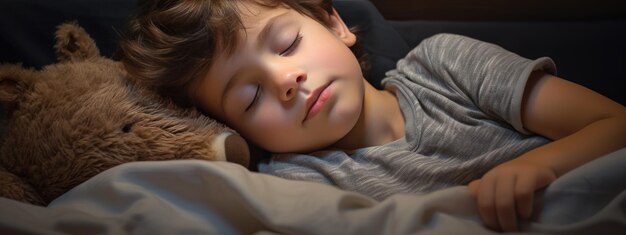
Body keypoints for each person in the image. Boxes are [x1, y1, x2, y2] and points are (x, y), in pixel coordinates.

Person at [118, 0, 626, 232]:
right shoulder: (297, 181)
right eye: (250, 98)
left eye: (289, 43)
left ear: (334, 23)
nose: (285, 81)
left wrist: (541, 167)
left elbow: (615, 125)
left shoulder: (445, 64)